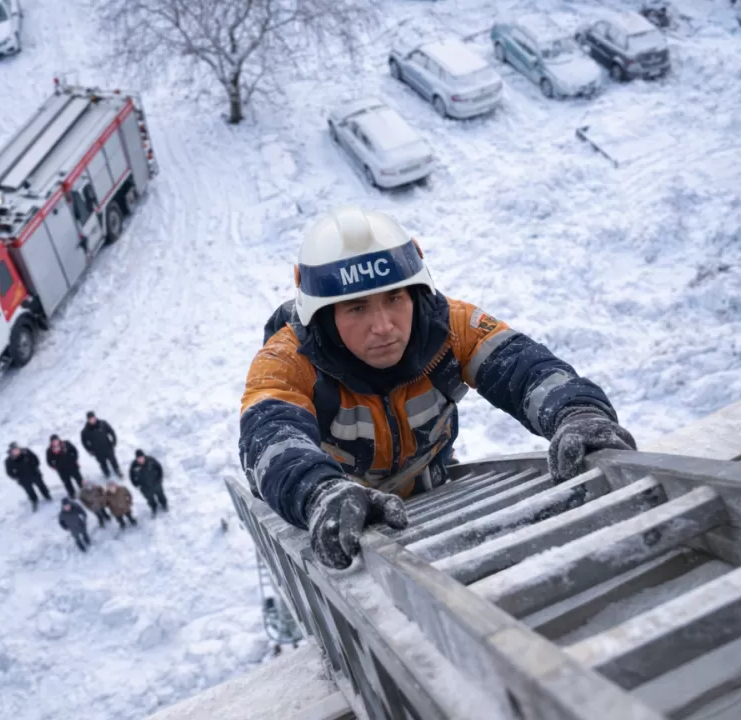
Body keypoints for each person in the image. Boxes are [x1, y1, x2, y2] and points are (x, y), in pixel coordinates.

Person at [238, 207, 636, 570]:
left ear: (415, 292)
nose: (383, 327)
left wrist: (577, 412)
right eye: (356, 308)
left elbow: (524, 369)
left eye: (394, 298)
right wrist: (319, 493)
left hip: (432, 492)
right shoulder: (286, 361)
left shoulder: (451, 327)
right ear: (322, 315)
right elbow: (272, 439)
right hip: (348, 526)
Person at [5, 442, 51, 511]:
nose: (16, 451)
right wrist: (16, 476)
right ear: (11, 451)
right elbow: (9, 472)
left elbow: (35, 458)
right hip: (23, 479)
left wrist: (35, 466)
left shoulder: (26, 452)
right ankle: (34, 501)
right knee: (29, 491)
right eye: (14, 450)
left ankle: (47, 496)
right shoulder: (9, 460)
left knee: (41, 486)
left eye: (17, 449)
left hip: (34, 474)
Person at [80, 411, 121, 479]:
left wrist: (114, 442)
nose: (92, 420)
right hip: (97, 451)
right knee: (102, 464)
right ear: (88, 420)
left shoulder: (103, 423)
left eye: (93, 418)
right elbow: (84, 442)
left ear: (95, 417)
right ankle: (106, 473)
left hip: (108, 447)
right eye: (90, 419)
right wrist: (90, 450)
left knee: (113, 460)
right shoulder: (85, 431)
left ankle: (117, 471)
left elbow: (111, 432)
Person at [129, 449, 168, 516]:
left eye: (142, 457)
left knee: (161, 495)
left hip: (155, 483)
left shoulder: (151, 460)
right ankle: (153, 507)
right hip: (145, 487)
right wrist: (136, 484)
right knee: (150, 499)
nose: (140, 459)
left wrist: (160, 478)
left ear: (144, 456)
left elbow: (159, 468)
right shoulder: (134, 465)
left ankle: (164, 504)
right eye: (139, 458)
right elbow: (131, 476)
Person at [45, 434, 84, 499]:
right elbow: (49, 461)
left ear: (58, 439)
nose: (55, 442)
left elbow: (74, 451)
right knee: (67, 483)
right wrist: (55, 466)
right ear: (51, 442)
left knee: (79, 479)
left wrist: (74, 459)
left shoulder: (66, 443)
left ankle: (84, 491)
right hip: (62, 470)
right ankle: (72, 494)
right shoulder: (49, 450)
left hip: (72, 466)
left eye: (56, 440)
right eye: (53, 441)